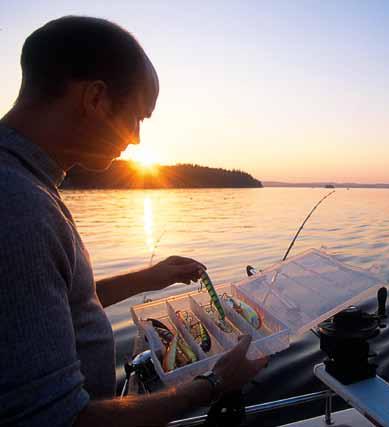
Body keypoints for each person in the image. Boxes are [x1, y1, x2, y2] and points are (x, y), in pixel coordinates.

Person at [0, 16, 267, 427]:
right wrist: (213, 383)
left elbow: (48, 303)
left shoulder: (25, 183)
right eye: (137, 116)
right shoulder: (19, 207)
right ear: (95, 99)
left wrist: (147, 278)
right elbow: (59, 420)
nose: (137, 138)